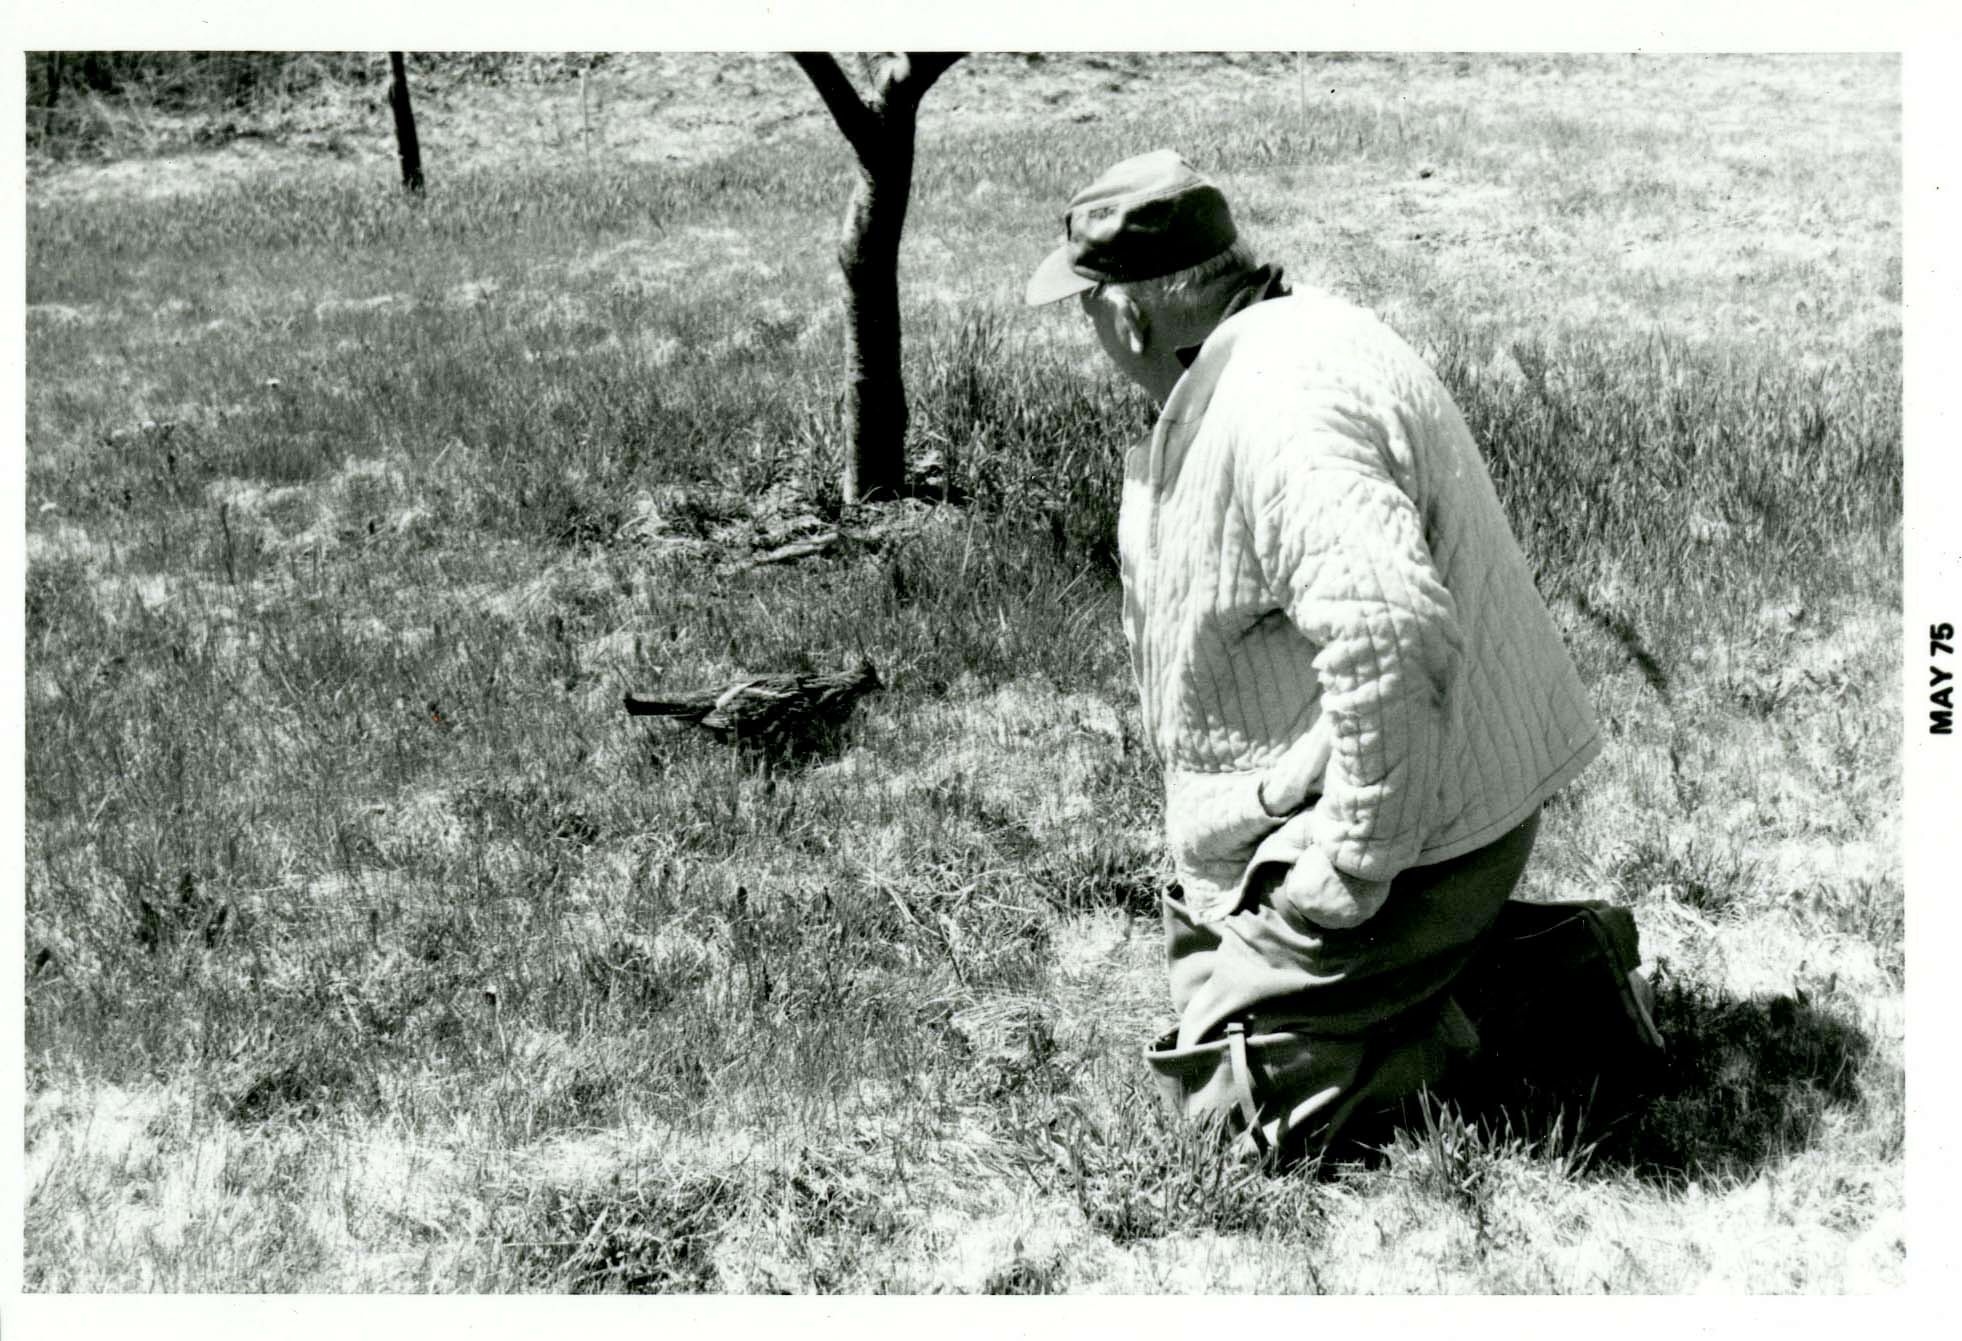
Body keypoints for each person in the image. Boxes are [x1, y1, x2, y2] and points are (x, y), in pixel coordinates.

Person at [1027, 150, 1642, 1161]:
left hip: (1416, 835)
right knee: (1200, 974)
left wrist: (1349, 869)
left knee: (1224, 1115)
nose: (1091, 332)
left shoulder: (1281, 409)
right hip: (1340, 795)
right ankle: (1455, 971)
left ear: (1130, 316)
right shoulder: (1285, 336)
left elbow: (1389, 634)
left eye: (1086, 306)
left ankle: (1550, 990)